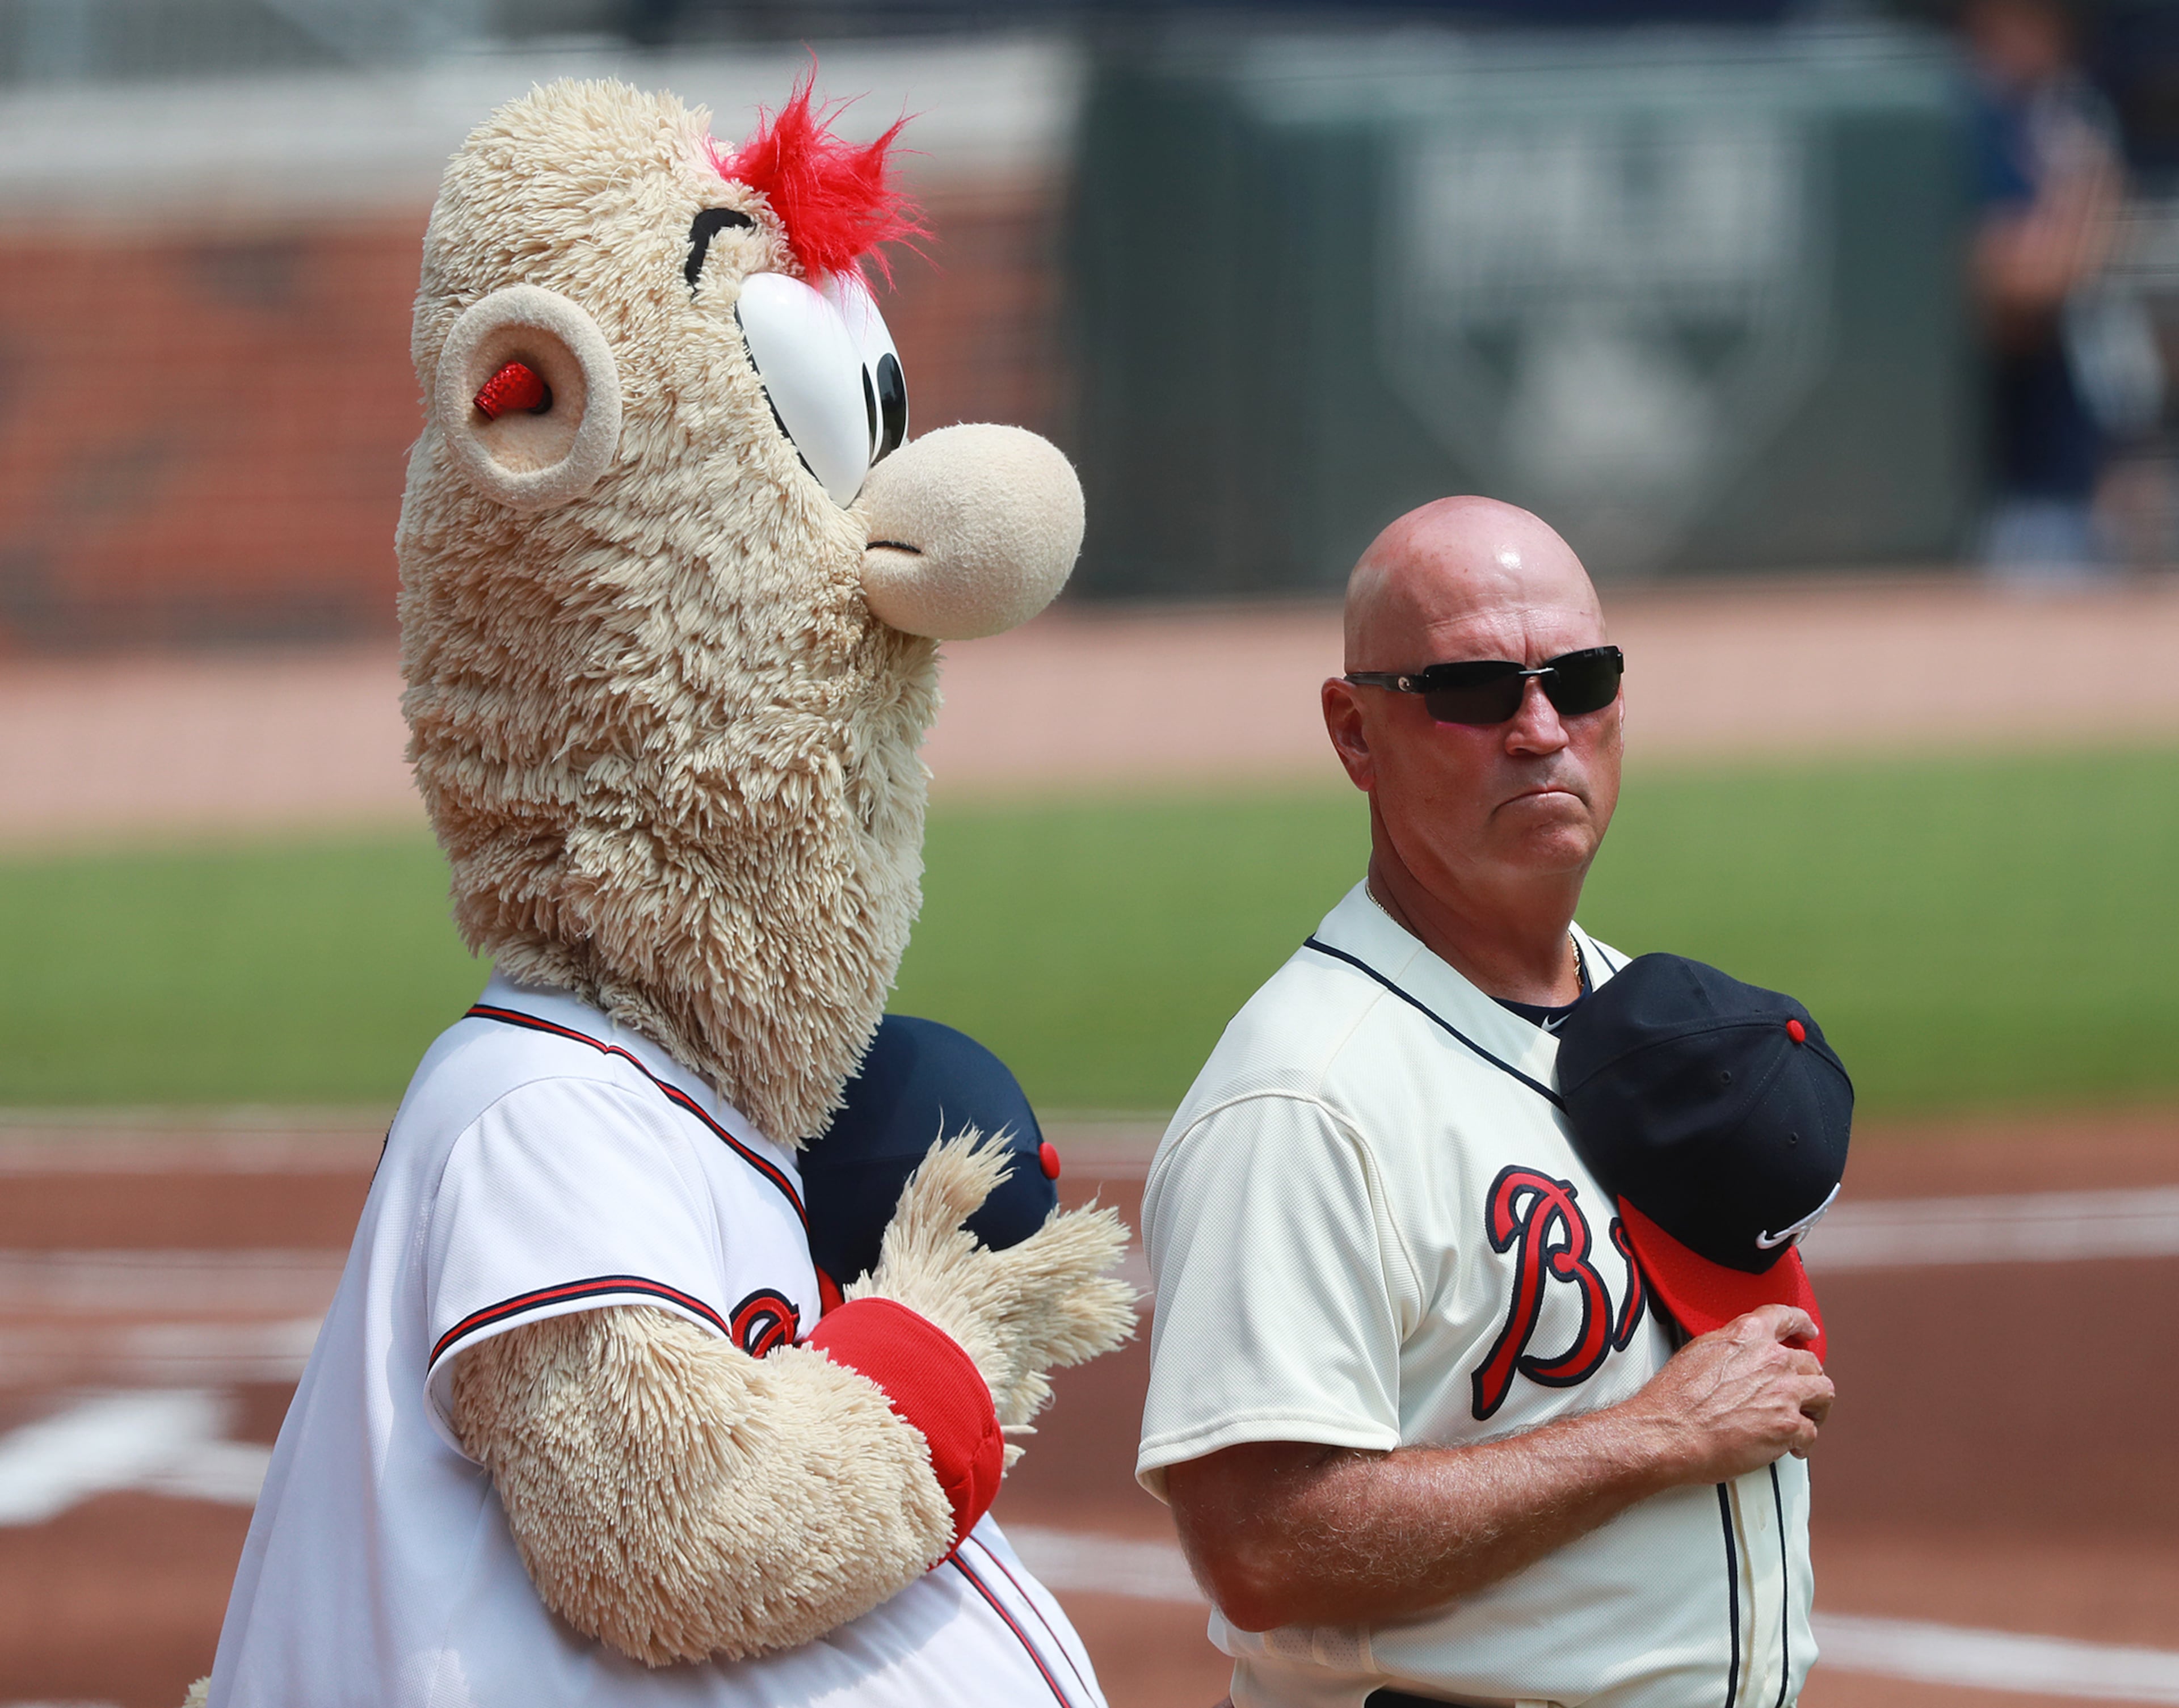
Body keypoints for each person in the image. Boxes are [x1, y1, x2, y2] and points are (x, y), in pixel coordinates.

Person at [1135, 497, 1836, 1708]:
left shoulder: (1655, 1021)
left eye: (1580, 678)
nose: (1540, 727)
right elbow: (1261, 1545)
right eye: (1471, 690)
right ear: (1356, 733)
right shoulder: (1301, 1097)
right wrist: (1655, 1434)